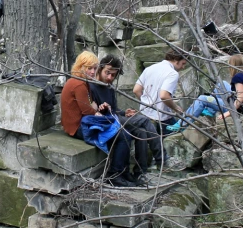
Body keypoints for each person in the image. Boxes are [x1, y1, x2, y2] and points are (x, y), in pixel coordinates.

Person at [89, 54, 166, 185]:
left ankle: (139, 173)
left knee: (141, 131)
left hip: (115, 117)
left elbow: (114, 109)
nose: (110, 77)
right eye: (107, 73)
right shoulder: (91, 87)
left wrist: (125, 112)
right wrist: (102, 111)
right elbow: (92, 111)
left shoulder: (110, 87)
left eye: (113, 75)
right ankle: (162, 159)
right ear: (100, 69)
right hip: (105, 121)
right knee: (145, 121)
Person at [61, 51, 134, 187]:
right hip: (77, 127)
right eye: (89, 68)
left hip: (80, 123)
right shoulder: (79, 84)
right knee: (123, 137)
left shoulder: (80, 81)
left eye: (95, 68)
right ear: (80, 67)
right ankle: (114, 175)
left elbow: (90, 106)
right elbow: (87, 109)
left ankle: (123, 172)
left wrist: (96, 109)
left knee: (123, 133)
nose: (93, 71)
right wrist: (96, 111)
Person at [167, 54, 243, 131]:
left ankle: (182, 124)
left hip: (237, 109)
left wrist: (229, 113)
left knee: (202, 98)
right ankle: (210, 110)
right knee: (222, 84)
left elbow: (241, 98)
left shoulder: (238, 77)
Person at [133, 48, 189, 135]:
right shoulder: (172, 73)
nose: (183, 67)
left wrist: (147, 102)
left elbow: (136, 90)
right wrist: (176, 108)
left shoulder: (150, 68)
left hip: (144, 113)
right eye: (183, 63)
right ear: (176, 60)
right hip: (162, 117)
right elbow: (164, 95)